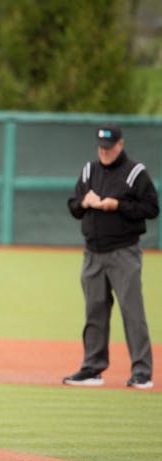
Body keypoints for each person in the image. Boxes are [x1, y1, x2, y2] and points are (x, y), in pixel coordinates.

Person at [63, 125, 159, 389]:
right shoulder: (89, 171)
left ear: (120, 145)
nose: (104, 152)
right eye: (101, 147)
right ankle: (93, 368)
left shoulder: (135, 173)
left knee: (132, 312)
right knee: (95, 311)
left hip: (123, 252)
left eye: (109, 147)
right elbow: (73, 205)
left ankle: (142, 372)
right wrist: (85, 201)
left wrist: (118, 206)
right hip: (92, 253)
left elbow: (151, 208)